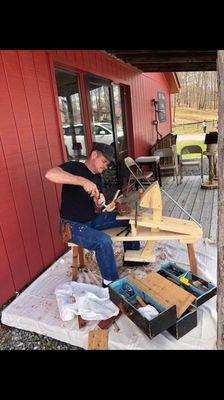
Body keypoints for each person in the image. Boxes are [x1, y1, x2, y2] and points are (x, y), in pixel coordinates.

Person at [45, 142, 143, 288]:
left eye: (108, 164)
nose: (106, 166)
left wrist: (99, 201)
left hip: (91, 220)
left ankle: (131, 257)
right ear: (94, 155)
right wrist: (82, 181)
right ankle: (111, 283)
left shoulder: (97, 177)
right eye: (104, 161)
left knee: (126, 219)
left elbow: (97, 203)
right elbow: (50, 174)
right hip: (71, 226)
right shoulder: (75, 167)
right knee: (103, 242)